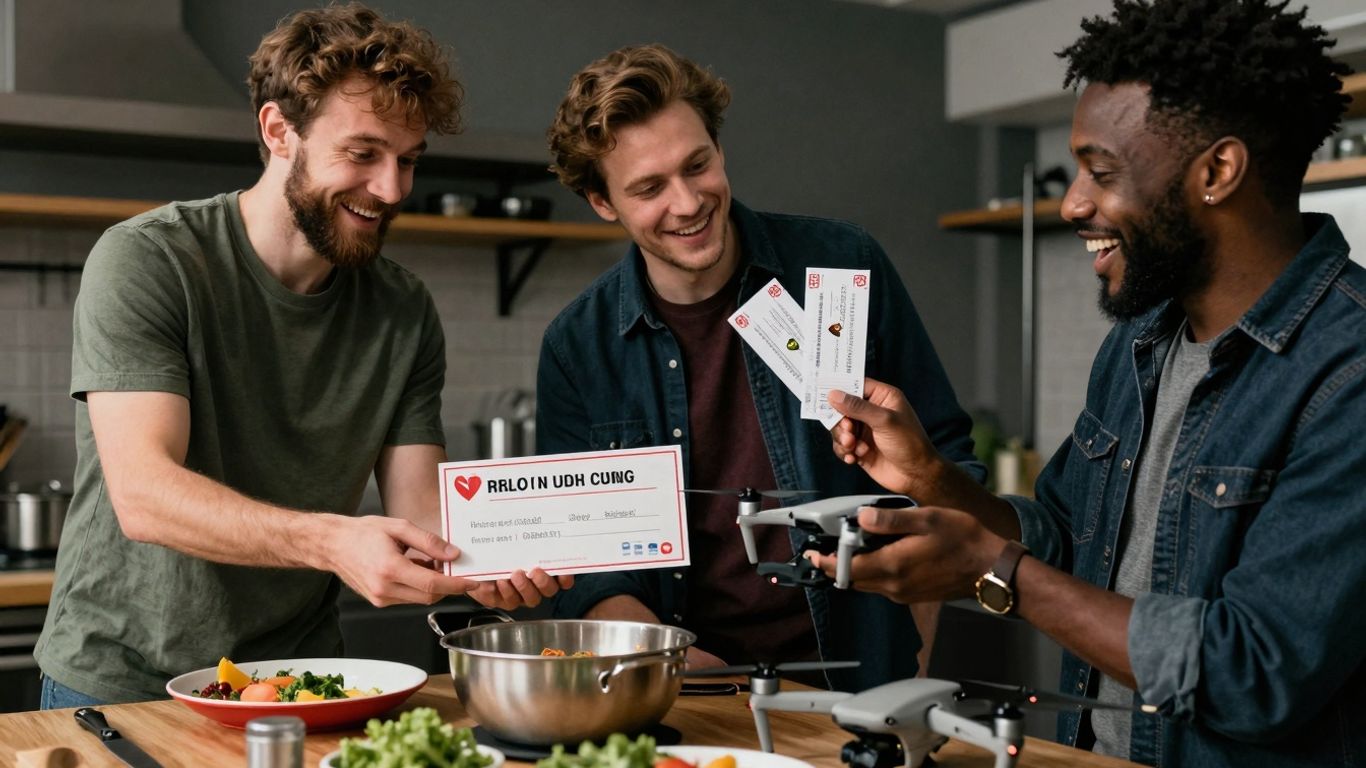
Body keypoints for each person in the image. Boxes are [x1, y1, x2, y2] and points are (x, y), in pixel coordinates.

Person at [810, 0, 1365, 764]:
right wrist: (933, 481)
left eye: (1101, 173)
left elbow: (1255, 671)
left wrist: (990, 567)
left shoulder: (1349, 374)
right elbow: (1062, 545)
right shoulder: (1139, 343)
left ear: (1217, 172)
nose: (1073, 202)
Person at [33, 4, 567, 708]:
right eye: (363, 153)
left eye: (408, 160)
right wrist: (332, 543)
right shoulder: (149, 260)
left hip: (300, 680)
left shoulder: (402, 308)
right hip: (124, 685)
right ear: (279, 131)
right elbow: (145, 497)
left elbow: (423, 520)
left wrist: (491, 560)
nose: (392, 189)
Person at [537, 43, 983, 691]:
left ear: (720, 149)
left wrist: (912, 664)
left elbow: (943, 465)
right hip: (687, 691)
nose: (688, 202)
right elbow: (585, 563)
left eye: (697, 165)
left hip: (858, 679)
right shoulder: (577, 344)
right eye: (649, 188)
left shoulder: (843, 261)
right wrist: (667, 659)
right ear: (602, 201)